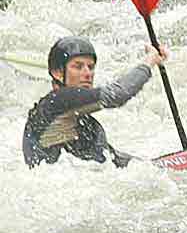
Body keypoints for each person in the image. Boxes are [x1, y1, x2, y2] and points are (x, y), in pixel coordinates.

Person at [23, 36, 168, 169]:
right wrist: (150, 61)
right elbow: (118, 94)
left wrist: (152, 166)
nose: (87, 73)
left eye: (91, 67)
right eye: (78, 66)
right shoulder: (55, 102)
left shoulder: (84, 122)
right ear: (58, 73)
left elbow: (111, 159)